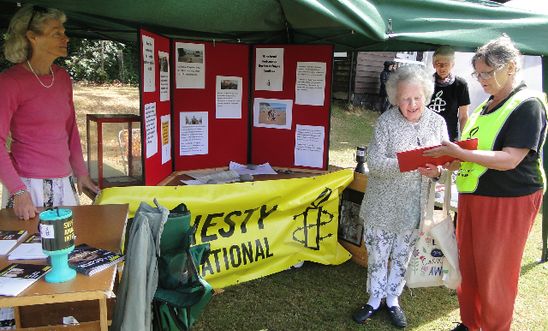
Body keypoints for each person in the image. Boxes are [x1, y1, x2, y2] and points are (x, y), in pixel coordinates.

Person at [424, 36, 547, 331]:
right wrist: (448, 163)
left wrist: (461, 153)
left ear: (512, 67)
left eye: (487, 73)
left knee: (496, 274)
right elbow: (474, 153)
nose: (481, 80)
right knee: (469, 266)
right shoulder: (484, 107)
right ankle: (470, 323)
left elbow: (510, 159)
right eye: (477, 73)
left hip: (509, 199)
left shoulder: (527, 105)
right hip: (474, 196)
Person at [352, 65, 449, 328]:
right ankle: (374, 299)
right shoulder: (386, 122)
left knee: (402, 256)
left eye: (417, 97)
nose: (412, 103)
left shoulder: (438, 123)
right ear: (396, 98)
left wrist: (436, 171)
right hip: (382, 206)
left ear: (426, 96)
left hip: (413, 207)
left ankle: (393, 299)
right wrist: (408, 163)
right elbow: (375, 163)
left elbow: (445, 165)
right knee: (378, 256)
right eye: (405, 98)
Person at [0, 5, 99, 221]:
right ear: (32, 37)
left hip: (64, 181)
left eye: (63, 32)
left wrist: (81, 172)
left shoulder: (62, 77)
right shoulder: (10, 82)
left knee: (72, 250)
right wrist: (18, 190)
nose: (66, 38)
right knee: (33, 252)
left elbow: (70, 129)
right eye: (57, 33)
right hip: (28, 188)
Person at [427, 46, 471, 141]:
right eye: (438, 64)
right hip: (427, 136)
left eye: (446, 64)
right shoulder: (426, 82)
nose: (442, 68)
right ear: (434, 64)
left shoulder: (460, 85)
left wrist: (464, 138)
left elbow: (463, 116)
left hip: (449, 136)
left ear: (452, 64)